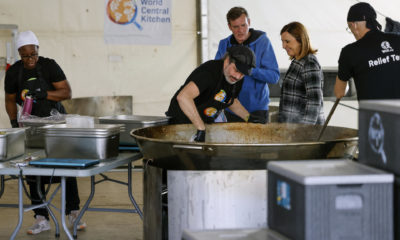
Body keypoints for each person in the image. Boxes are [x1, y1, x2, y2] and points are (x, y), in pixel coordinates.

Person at [4, 30, 86, 235]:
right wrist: (15, 123)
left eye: (33, 54)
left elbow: (66, 92)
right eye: (25, 56)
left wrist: (45, 93)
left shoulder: (49, 66)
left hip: (55, 122)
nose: (30, 59)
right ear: (19, 54)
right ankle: (41, 217)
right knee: (32, 167)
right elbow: (9, 99)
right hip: (30, 124)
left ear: (37, 50)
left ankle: (73, 211)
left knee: (65, 164)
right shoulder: (14, 72)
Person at [166, 45, 264, 142]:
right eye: (236, 70)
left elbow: (229, 100)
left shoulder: (234, 79)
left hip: (205, 124)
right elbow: (184, 97)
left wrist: (249, 118)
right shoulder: (209, 72)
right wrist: (200, 128)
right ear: (227, 60)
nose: (238, 77)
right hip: (181, 125)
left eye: (242, 74)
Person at [215, 6, 280, 123]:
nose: (240, 30)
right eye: (236, 27)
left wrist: (251, 71)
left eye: (243, 25)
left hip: (257, 109)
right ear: (229, 27)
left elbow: (274, 77)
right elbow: (217, 75)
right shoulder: (224, 44)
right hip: (231, 108)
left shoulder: (263, 42)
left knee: (258, 141)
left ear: (249, 22)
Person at [334, 2, 400, 100]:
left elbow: (339, 93)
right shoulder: (397, 39)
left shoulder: (350, 52)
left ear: (354, 25)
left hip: (375, 114)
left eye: (349, 27)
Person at [278, 22, 325, 124]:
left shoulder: (309, 63)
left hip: (305, 131)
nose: (283, 46)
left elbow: (314, 102)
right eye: (282, 41)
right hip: (292, 128)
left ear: (300, 40)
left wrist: (304, 133)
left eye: (287, 41)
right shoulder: (297, 61)